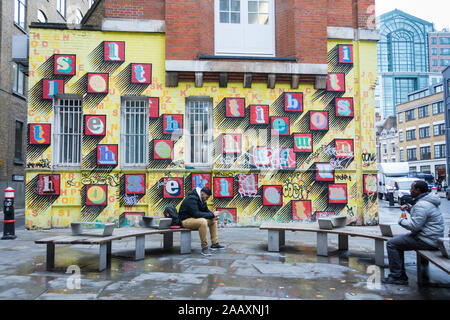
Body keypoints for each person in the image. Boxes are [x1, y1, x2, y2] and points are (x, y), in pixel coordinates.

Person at [382, 180, 445, 285]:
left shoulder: (422, 205)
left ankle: (397, 276)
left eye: (412, 188)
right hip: (431, 237)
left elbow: (414, 227)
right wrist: (410, 209)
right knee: (397, 241)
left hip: (427, 240)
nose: (410, 191)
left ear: (418, 190)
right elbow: (421, 218)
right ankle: (399, 275)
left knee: (392, 244)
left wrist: (401, 221)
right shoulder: (427, 202)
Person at [179, 186, 225, 256]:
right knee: (202, 221)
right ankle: (204, 248)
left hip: (194, 219)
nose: (207, 199)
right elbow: (196, 214)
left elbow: (207, 211)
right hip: (185, 220)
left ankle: (214, 243)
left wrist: (213, 215)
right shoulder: (191, 199)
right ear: (202, 193)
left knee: (213, 220)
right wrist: (212, 215)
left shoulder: (202, 199)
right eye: (207, 197)